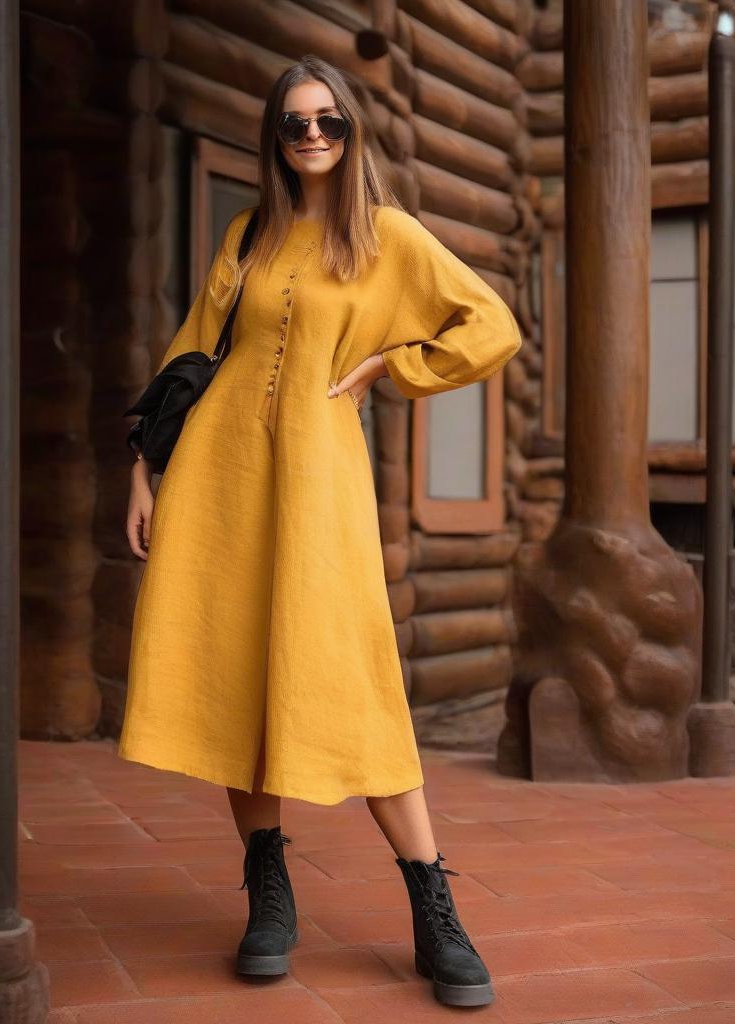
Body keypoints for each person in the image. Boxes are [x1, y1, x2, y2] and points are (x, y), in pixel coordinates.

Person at [118, 54, 522, 1008]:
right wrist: (142, 468)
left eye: (328, 122)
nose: (311, 137)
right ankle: (269, 893)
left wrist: (392, 362)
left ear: (352, 133)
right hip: (219, 481)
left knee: (353, 673)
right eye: (295, 123)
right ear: (275, 135)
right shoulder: (248, 232)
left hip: (319, 484)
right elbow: (189, 349)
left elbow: (491, 325)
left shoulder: (387, 236)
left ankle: (432, 906)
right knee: (237, 673)